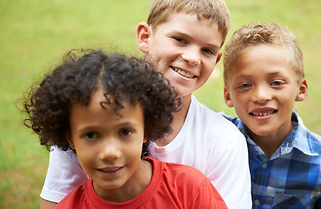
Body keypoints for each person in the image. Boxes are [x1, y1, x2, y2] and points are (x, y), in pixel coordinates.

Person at [38, 0, 252, 209]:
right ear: (144, 37)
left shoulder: (223, 140)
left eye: (207, 50)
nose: (192, 58)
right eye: (180, 39)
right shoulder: (88, 114)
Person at [23, 49, 228, 208]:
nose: (110, 152)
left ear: (146, 130)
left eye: (125, 132)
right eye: (91, 135)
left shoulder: (189, 190)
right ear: (70, 139)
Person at [222, 22, 321, 208]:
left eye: (276, 83)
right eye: (245, 85)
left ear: (300, 90)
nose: (261, 96)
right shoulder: (213, 139)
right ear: (228, 95)